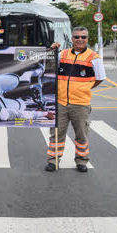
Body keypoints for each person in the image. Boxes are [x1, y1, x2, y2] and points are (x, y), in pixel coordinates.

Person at [45, 27, 105, 173]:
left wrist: (84, 87)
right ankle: (54, 160)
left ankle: (81, 161)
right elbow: (48, 67)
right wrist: (50, 51)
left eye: (83, 37)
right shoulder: (62, 54)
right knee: (57, 133)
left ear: (87, 39)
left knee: (81, 135)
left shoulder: (94, 57)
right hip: (61, 103)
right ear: (72, 39)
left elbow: (99, 78)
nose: (80, 40)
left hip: (81, 104)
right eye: (77, 37)